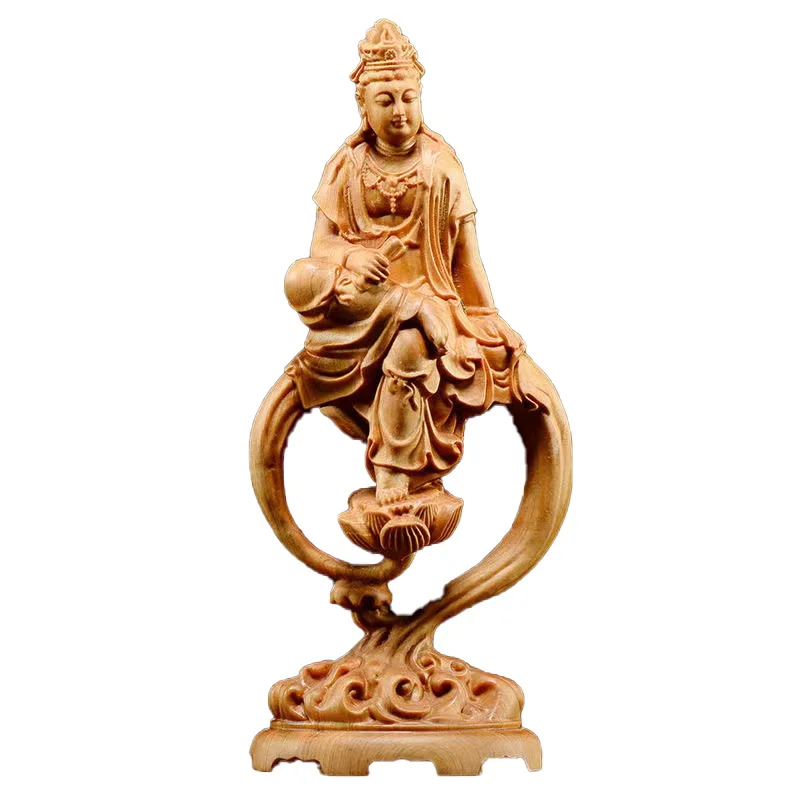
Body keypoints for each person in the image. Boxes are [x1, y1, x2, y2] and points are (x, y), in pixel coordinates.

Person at [284, 20, 543, 505]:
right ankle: (405, 306)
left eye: (409, 98)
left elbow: (467, 256)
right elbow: (321, 246)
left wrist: (487, 314)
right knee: (296, 277)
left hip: (431, 301)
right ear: (363, 106)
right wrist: (353, 255)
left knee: (409, 347)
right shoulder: (346, 165)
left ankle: (393, 471)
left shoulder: (441, 165)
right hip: (361, 302)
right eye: (385, 100)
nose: (400, 111)